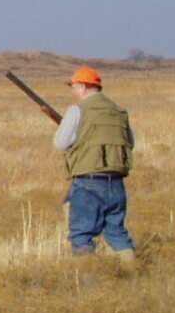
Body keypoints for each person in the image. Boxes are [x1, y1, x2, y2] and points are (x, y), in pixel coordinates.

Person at [53, 66, 137, 260]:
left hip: (87, 182)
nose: (73, 92)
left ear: (82, 87)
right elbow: (129, 143)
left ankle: (88, 281)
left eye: (74, 87)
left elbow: (60, 143)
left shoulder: (78, 110)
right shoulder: (118, 110)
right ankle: (133, 273)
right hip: (116, 183)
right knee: (117, 233)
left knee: (81, 235)